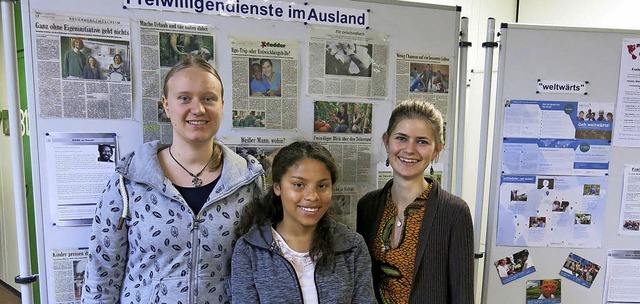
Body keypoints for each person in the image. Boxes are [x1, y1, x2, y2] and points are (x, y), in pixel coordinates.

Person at [81, 57, 265, 303]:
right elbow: (102, 272)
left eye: (208, 98)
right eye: (184, 98)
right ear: (166, 105)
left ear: (222, 104)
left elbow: (261, 267)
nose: (198, 109)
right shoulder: (129, 181)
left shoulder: (248, 182)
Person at [356, 99, 474, 303]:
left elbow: (463, 296)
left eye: (422, 141)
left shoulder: (454, 212)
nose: (409, 149)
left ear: (437, 150)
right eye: (401, 138)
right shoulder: (368, 206)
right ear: (387, 141)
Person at [231, 141, 375, 303]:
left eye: (322, 185)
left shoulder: (352, 246)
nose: (312, 196)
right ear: (277, 187)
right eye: (299, 185)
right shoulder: (250, 249)